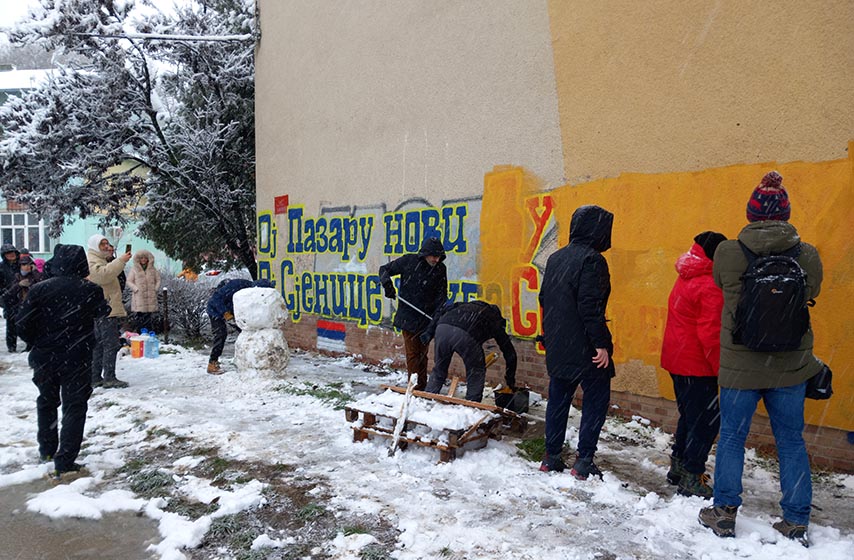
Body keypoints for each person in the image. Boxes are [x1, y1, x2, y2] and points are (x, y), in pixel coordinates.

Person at [698, 171, 822, 547]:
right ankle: (796, 519)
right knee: (791, 442)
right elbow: (812, 290)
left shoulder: (729, 252)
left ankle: (723, 514)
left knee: (733, 439)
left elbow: (723, 285)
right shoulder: (807, 254)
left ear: (751, 214)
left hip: (740, 364)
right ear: (785, 213)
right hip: (790, 365)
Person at [16, 244, 110, 480]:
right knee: (74, 406)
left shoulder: (39, 290)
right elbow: (102, 312)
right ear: (81, 264)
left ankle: (47, 450)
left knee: (46, 401)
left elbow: (22, 325)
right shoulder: (90, 289)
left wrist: (40, 341)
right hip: (77, 357)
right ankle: (65, 459)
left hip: (45, 357)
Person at [538, 205, 615, 480]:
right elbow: (589, 307)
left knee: (558, 399)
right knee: (595, 401)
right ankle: (583, 462)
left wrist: (549, 334)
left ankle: (551, 456)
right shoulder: (592, 261)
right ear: (597, 231)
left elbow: (544, 299)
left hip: (559, 342)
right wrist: (601, 344)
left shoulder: (557, 258)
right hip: (585, 347)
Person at [660, 231, 727, 499]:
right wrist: (722, 369)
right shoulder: (710, 284)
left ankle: (678, 466)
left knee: (689, 416)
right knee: (706, 422)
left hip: (677, 359)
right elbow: (711, 335)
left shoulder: (687, 273)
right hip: (697, 364)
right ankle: (692, 474)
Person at [378, 237, 448, 390]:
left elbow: (442, 296)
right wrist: (387, 285)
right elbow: (384, 270)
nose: (436, 260)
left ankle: (421, 387)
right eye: (433, 256)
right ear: (425, 254)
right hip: (408, 317)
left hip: (427, 319)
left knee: (423, 355)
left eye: (439, 257)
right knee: (413, 355)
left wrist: (435, 319)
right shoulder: (408, 261)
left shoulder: (440, 269)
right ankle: (414, 387)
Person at [420, 300, 517, 402]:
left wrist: (429, 332)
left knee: (439, 368)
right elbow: (510, 353)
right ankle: (472, 404)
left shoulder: (463, 305)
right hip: (465, 334)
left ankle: (428, 398)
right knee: (476, 371)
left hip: (442, 329)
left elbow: (441, 311)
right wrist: (510, 380)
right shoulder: (494, 319)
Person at [86, 234, 132, 388]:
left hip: (105, 308)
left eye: (107, 243)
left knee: (100, 344)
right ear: (94, 246)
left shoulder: (101, 259)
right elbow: (103, 275)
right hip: (104, 310)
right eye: (102, 244)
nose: (106, 246)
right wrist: (120, 261)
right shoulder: (92, 260)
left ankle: (96, 377)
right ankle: (109, 378)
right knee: (110, 344)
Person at [206, 278, 272, 374]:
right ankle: (212, 363)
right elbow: (216, 299)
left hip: (233, 312)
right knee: (220, 335)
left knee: (246, 334)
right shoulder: (237, 285)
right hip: (215, 310)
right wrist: (226, 313)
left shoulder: (254, 295)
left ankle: (251, 360)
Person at [3, 255, 44, 352]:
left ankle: (29, 346)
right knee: (12, 327)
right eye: (23, 264)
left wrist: (35, 272)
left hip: (30, 306)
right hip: (16, 306)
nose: (26, 267)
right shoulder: (16, 276)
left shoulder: (35, 275)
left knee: (29, 327)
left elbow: (41, 283)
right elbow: (9, 293)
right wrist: (19, 285)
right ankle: (12, 347)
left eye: (28, 264)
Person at [126, 249, 161, 334]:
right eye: (141, 258)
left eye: (145, 258)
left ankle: (148, 333)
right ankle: (140, 333)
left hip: (150, 297)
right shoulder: (134, 269)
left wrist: (155, 289)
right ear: (138, 259)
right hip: (139, 297)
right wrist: (136, 289)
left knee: (148, 317)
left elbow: (158, 280)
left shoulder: (152, 269)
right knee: (140, 316)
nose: (143, 260)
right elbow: (129, 281)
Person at [0, 243, 20, 352]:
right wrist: (5, 293)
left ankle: (28, 344)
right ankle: (12, 347)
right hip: (9, 299)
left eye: (12, 252)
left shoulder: (21, 264)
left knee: (25, 321)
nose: (11, 255)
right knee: (11, 325)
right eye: (8, 253)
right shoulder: (1, 267)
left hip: (22, 298)